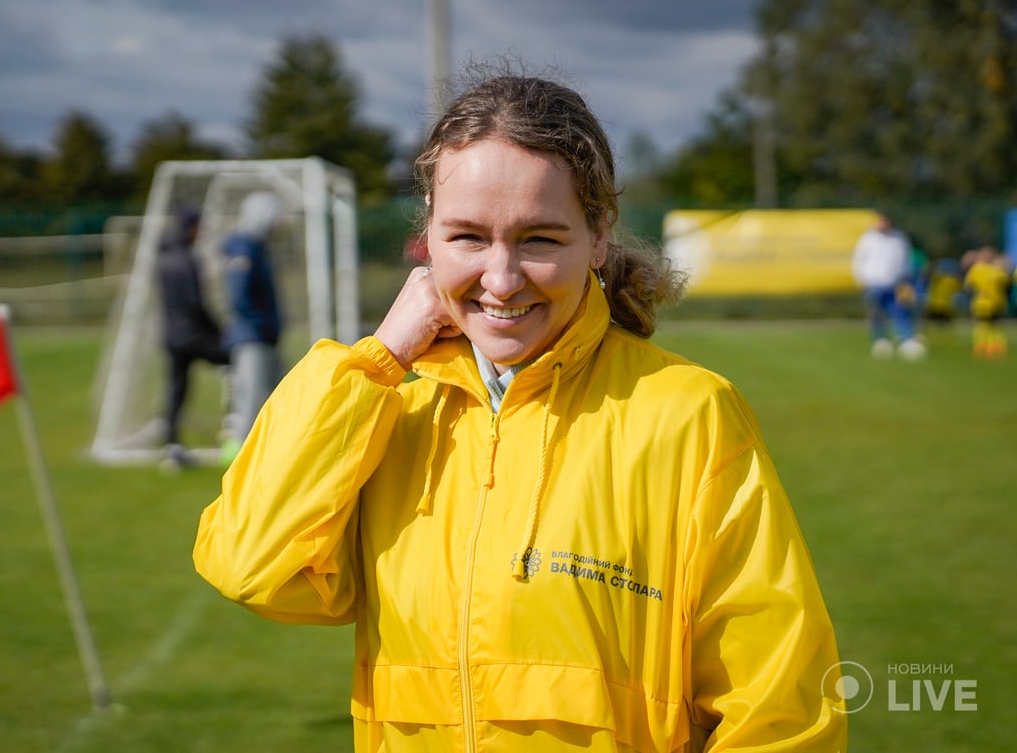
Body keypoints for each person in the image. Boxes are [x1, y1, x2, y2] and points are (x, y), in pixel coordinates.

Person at [194, 71, 847, 751]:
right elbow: (251, 565)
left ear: (598, 237)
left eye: (538, 239)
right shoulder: (392, 406)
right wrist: (378, 361)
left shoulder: (687, 415)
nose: (500, 280)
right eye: (468, 238)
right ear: (428, 240)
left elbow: (780, 712)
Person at [156, 206, 230, 468]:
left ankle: (171, 445)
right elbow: (195, 303)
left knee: (176, 390)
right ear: (192, 228)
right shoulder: (187, 260)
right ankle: (235, 428)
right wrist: (220, 331)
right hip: (194, 335)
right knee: (235, 361)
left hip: (172, 336)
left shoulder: (163, 258)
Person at [219, 192, 284, 464]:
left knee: (267, 393)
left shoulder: (256, 247)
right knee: (251, 395)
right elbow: (238, 294)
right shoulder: (245, 248)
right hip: (252, 338)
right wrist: (259, 323)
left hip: (262, 336)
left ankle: (261, 453)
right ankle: (237, 458)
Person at [850, 213, 926, 359]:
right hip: (873, 282)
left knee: (899, 310)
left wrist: (904, 278)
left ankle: (906, 339)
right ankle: (880, 339)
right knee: (876, 312)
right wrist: (862, 279)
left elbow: (905, 259)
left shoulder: (899, 238)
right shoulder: (868, 239)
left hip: (894, 282)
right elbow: (858, 260)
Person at [963, 245, 1010, 358]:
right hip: (994, 303)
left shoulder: (977, 269)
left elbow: (968, 285)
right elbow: (1006, 284)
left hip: (984, 303)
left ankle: (984, 346)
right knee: (992, 325)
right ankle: (993, 346)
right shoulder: (997, 270)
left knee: (984, 325)